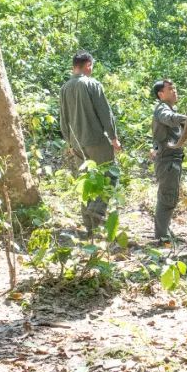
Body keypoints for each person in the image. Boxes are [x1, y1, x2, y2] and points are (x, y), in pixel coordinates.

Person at [59, 51, 121, 235]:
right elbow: (105, 113)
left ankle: (90, 226)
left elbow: (63, 118)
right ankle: (96, 212)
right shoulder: (92, 84)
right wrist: (113, 137)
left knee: (86, 181)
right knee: (111, 175)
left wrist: (69, 141)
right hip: (96, 140)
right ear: (88, 65)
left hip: (77, 142)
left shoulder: (65, 88)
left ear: (73, 66)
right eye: (91, 66)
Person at [152, 78, 187, 243]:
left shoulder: (169, 109)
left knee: (170, 196)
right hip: (167, 160)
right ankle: (161, 236)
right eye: (170, 89)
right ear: (161, 94)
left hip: (172, 159)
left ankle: (164, 231)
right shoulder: (162, 109)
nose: (175, 91)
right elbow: (169, 118)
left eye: (175, 88)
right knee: (167, 196)